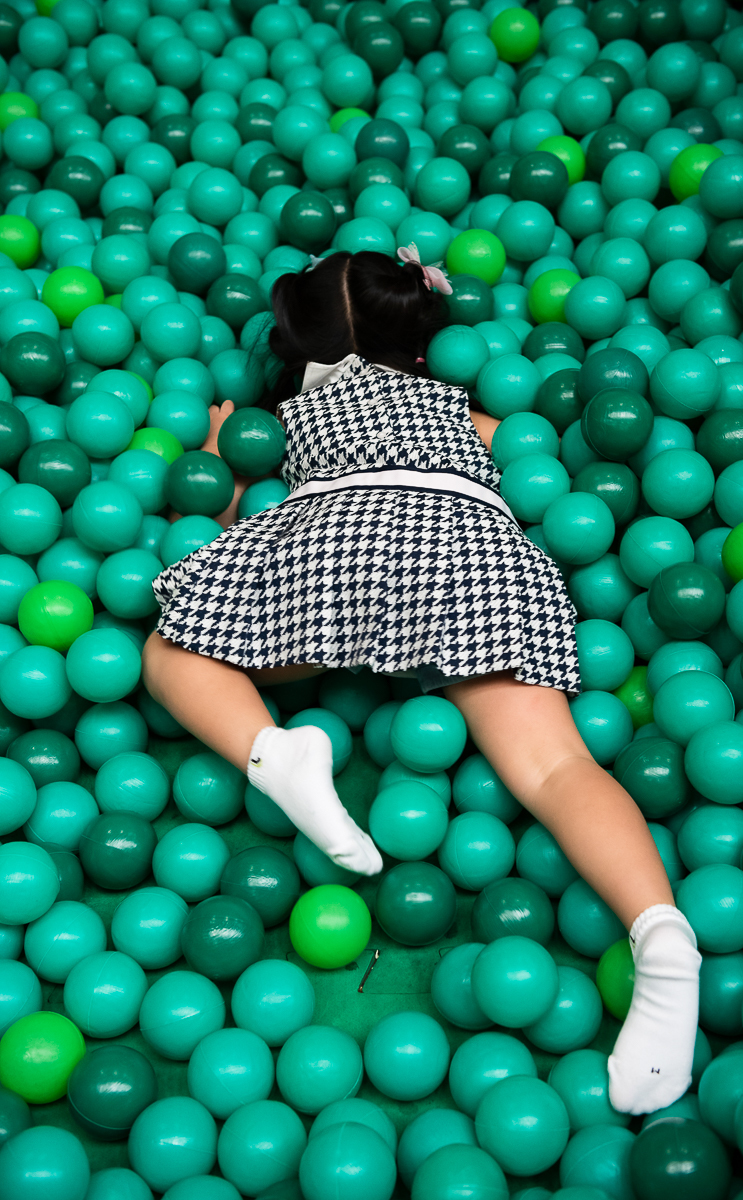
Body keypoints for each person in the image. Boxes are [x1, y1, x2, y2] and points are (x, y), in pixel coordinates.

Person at [142, 249, 701, 1116]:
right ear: (419, 340)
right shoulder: (457, 406)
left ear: (298, 346)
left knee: (175, 647)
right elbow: (518, 455)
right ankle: (663, 942)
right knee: (557, 767)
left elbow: (209, 504)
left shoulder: (292, 415)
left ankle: (275, 753)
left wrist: (222, 452)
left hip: (338, 539)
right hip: (472, 549)